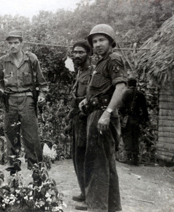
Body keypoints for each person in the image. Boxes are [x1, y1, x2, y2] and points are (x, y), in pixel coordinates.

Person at [78, 24, 127, 211]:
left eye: (102, 40)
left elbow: (121, 87)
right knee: (104, 162)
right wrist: (86, 100)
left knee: (98, 163)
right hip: (95, 113)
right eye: (95, 41)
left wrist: (107, 113)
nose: (98, 44)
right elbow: (102, 88)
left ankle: (98, 207)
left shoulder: (113, 59)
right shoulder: (101, 62)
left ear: (110, 41)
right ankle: (110, 206)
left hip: (102, 115)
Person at [0, 30, 48, 169]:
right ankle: (14, 178)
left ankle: (37, 176)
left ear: (21, 44)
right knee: (11, 138)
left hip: (27, 100)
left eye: (16, 43)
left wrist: (42, 95)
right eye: (10, 43)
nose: (13, 46)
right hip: (10, 102)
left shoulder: (31, 59)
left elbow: (42, 82)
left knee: (32, 138)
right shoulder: (2, 61)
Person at [68, 41, 93, 205]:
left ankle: (90, 197)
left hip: (86, 118)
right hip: (77, 118)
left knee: (86, 157)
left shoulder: (92, 72)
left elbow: (92, 95)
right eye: (75, 52)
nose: (77, 55)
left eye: (81, 52)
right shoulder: (80, 72)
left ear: (88, 54)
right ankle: (84, 192)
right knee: (77, 156)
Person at [120, 77, 150, 166]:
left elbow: (121, 107)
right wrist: (145, 120)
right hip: (137, 119)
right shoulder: (141, 94)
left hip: (128, 118)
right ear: (136, 84)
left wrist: (122, 115)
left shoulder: (126, 93)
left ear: (128, 84)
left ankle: (129, 157)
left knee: (127, 136)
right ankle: (136, 159)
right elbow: (144, 109)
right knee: (135, 137)